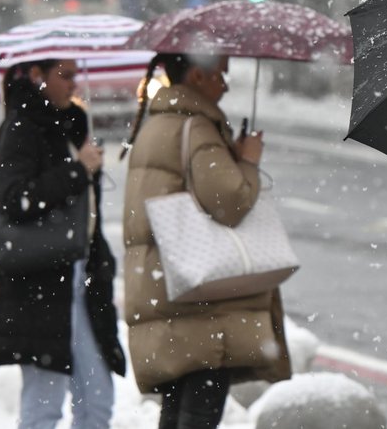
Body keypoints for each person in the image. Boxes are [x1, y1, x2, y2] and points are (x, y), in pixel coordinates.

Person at [121, 53, 291, 428]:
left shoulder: (156, 124)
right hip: (205, 300)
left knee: (177, 408)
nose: (226, 85)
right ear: (197, 75)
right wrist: (247, 160)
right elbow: (229, 201)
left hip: (168, 288)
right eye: (220, 76)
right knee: (200, 411)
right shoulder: (197, 127)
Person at [0, 59, 127, 428]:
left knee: (97, 396)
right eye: (64, 75)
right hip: (40, 284)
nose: (74, 84)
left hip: (83, 277)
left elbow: (84, 212)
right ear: (37, 77)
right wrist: (76, 169)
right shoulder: (21, 127)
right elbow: (16, 200)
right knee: (44, 401)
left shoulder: (73, 125)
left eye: (75, 74)